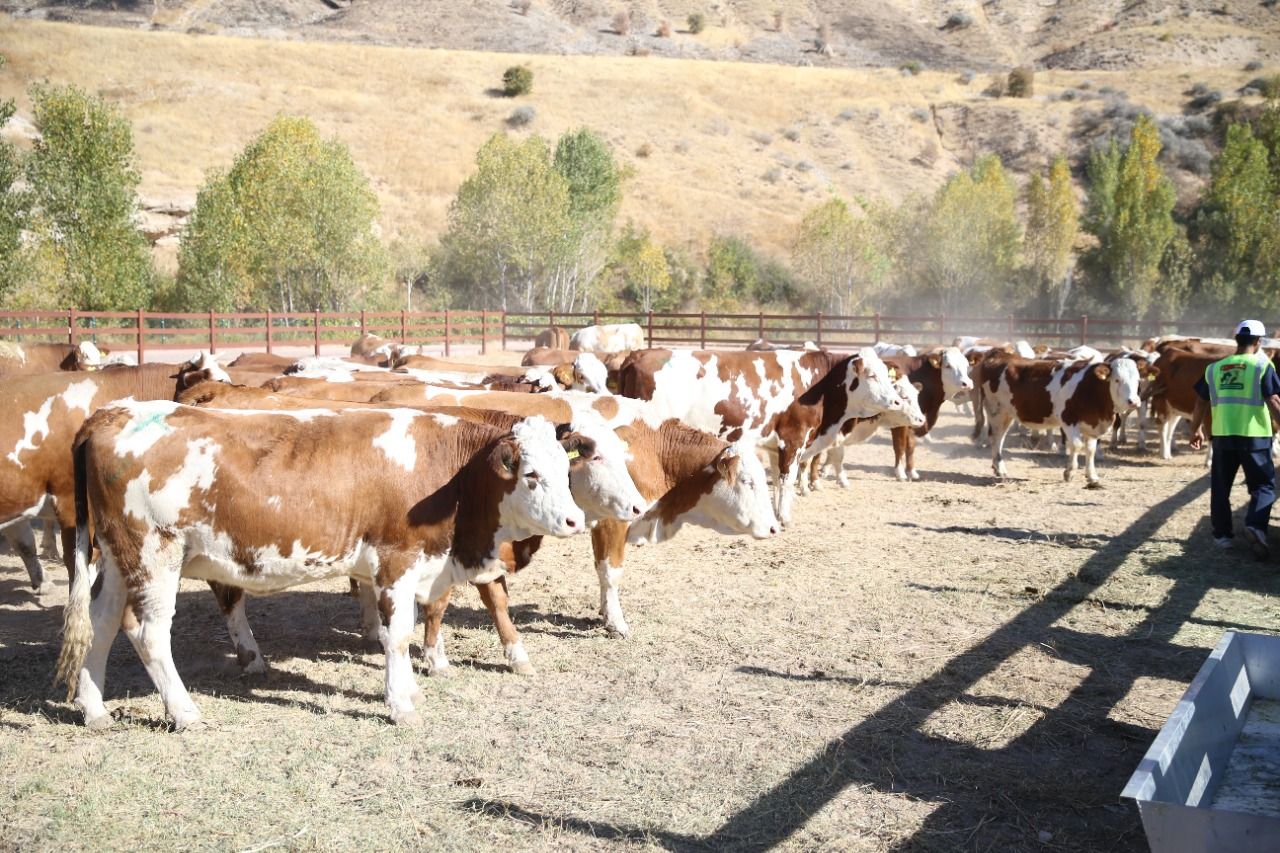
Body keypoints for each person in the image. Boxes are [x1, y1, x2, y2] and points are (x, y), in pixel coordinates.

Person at [1190, 320, 1280, 559]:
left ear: (1236, 339)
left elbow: (1200, 402)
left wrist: (1195, 429)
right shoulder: (1262, 365)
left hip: (1222, 435)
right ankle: (1255, 525)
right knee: (1263, 486)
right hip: (1255, 436)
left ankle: (1222, 537)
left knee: (1221, 487)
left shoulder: (1214, 368)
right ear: (1258, 341)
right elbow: (1273, 400)